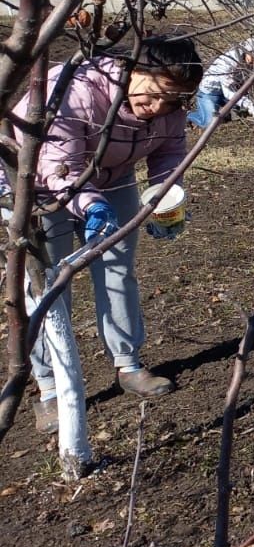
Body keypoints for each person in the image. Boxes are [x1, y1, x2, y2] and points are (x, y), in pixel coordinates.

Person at [25, 34, 202, 435]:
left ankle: (128, 364)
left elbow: (169, 150)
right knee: (48, 284)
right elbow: (56, 162)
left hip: (113, 180)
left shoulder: (170, 106)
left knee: (119, 268)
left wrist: (162, 198)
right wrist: (90, 205)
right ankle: (50, 387)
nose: (159, 108)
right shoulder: (77, 91)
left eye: (174, 101)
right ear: (131, 71)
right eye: (155, 95)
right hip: (38, 185)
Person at [190, 35, 254, 129]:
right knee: (209, 123)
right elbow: (228, 93)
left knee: (242, 111)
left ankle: (227, 113)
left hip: (232, 90)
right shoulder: (228, 63)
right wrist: (249, 105)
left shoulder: (251, 61)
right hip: (210, 93)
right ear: (247, 51)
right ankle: (189, 116)